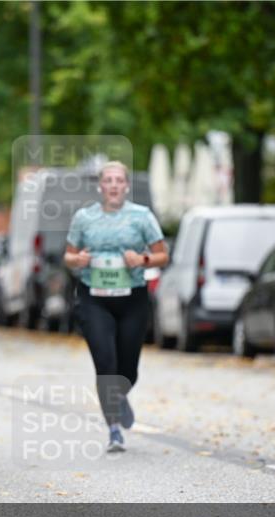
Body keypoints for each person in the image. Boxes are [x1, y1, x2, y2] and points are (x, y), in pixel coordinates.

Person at [63, 161, 169, 453]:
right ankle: (113, 429)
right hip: (94, 298)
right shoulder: (85, 218)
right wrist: (78, 260)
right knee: (105, 363)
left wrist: (143, 260)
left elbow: (162, 255)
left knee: (128, 370)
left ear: (126, 186)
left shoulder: (141, 216)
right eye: (107, 180)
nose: (113, 185)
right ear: (100, 186)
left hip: (132, 298)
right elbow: (69, 256)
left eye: (118, 180)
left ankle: (120, 396)